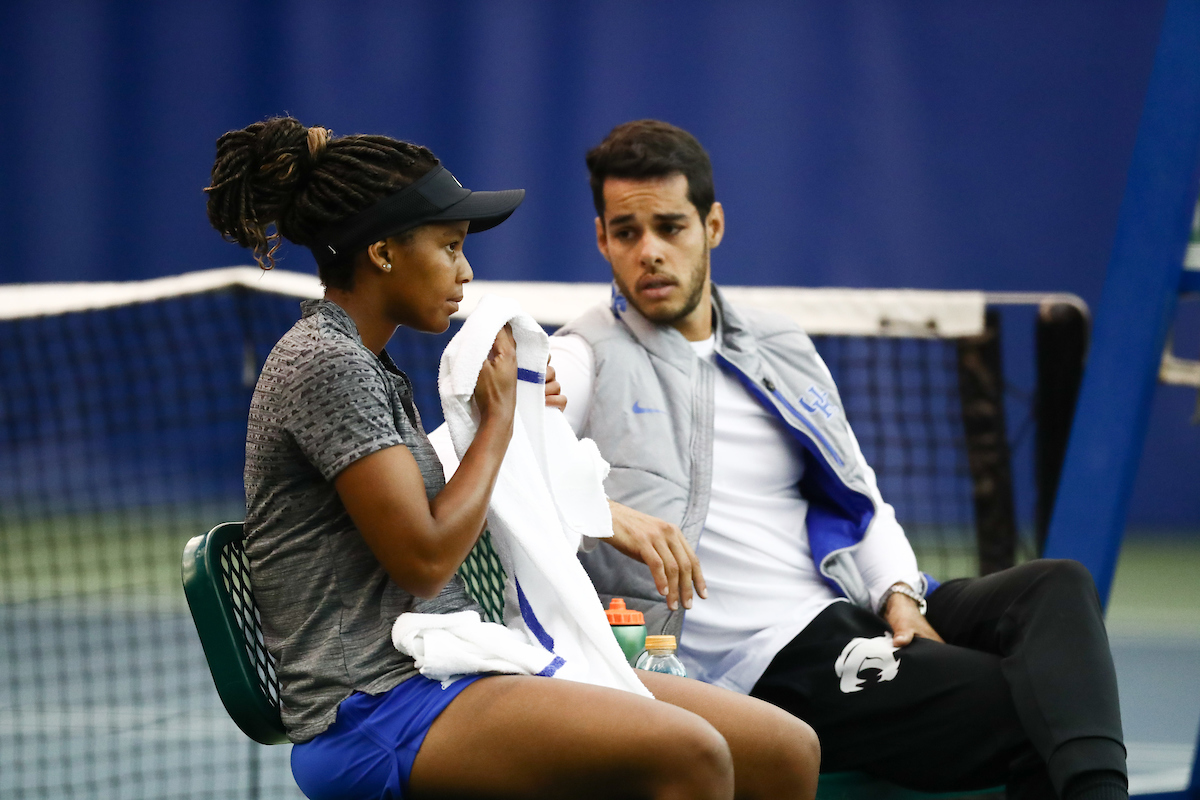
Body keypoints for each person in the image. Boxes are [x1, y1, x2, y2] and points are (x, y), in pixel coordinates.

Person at [205, 116, 819, 800]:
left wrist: (521, 417)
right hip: (371, 708)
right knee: (693, 754)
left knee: (782, 748)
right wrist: (497, 420)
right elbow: (424, 557)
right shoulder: (327, 364)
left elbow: (427, 499)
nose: (465, 271)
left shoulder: (367, 365)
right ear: (382, 253)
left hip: (445, 671)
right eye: (448, 247)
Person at [549, 119, 1128, 800]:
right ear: (601, 239)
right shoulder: (581, 353)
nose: (648, 252)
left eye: (670, 228)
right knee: (1031, 708)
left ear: (713, 226)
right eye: (626, 232)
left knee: (1057, 586)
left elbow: (860, 490)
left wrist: (900, 594)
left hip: (851, 603)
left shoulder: (779, 345)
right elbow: (504, 466)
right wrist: (605, 510)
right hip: (764, 662)